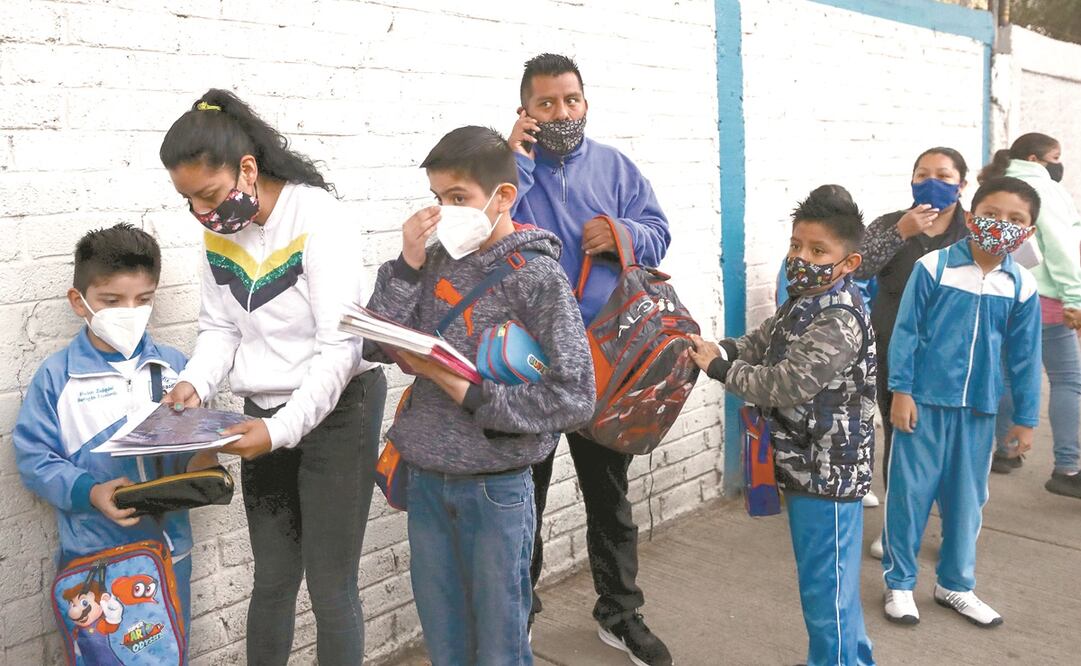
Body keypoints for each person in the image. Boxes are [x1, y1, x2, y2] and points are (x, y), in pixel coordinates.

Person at [158, 90, 387, 665]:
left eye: (207, 194)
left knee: (332, 586)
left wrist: (280, 431)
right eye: (187, 200)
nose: (202, 213)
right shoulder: (219, 233)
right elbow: (220, 329)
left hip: (339, 409)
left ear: (248, 169)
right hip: (261, 416)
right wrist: (195, 383)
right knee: (273, 579)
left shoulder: (317, 218)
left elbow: (341, 344)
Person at [364, 125, 595, 665]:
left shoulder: (537, 277)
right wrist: (407, 263)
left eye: (458, 198)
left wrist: (470, 392)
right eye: (437, 199)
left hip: (496, 488)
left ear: (503, 197)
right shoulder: (436, 261)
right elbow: (377, 343)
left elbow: (575, 397)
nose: (444, 212)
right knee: (444, 637)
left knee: (498, 642)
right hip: (426, 480)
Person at [507, 53, 674, 666]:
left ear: (586, 101)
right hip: (534, 363)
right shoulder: (507, 171)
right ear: (526, 111)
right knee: (526, 497)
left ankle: (619, 613)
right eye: (546, 103)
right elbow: (487, 233)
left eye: (570, 100)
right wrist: (515, 164)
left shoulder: (615, 166)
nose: (562, 113)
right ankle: (516, 614)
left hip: (608, 357)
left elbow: (658, 230)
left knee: (610, 495)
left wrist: (622, 235)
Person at [691, 185, 876, 666]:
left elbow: (786, 383)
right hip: (804, 464)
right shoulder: (804, 301)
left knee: (826, 595)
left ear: (848, 263)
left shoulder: (839, 319)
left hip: (827, 474)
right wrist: (725, 348)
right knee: (832, 584)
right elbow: (764, 340)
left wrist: (719, 370)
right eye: (796, 245)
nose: (801, 257)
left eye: (818, 250)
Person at [14, 224, 216, 647]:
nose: (130, 311)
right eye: (112, 301)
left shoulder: (176, 369)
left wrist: (207, 451)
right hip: (96, 562)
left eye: (143, 300)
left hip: (170, 553)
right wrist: (90, 491)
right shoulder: (57, 377)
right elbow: (35, 458)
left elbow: (200, 455)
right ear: (80, 301)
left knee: (169, 651)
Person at [881, 176, 1042, 628]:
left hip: (980, 411)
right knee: (909, 497)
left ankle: (955, 584)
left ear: (1027, 233)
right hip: (923, 406)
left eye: (1016, 220)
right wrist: (902, 391)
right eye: (992, 213)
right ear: (973, 216)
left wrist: (1026, 419)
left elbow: (1025, 358)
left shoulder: (1021, 285)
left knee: (968, 501)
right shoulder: (933, 267)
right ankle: (899, 584)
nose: (1001, 225)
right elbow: (907, 332)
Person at [855, 147, 973, 558]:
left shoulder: (974, 231)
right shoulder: (890, 224)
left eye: (943, 174)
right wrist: (899, 233)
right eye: (922, 173)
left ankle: (954, 530)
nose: (931, 181)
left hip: (957, 356)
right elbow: (855, 269)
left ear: (962, 183)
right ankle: (897, 528)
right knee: (901, 441)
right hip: (895, 351)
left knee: (954, 446)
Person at [980, 133, 1081, 498]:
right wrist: (1076, 298)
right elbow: (1061, 248)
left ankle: (1004, 451)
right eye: (1055, 156)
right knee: (1069, 380)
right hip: (1048, 298)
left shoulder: (997, 186)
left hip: (1003, 291)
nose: (1059, 164)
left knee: (1007, 372)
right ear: (1036, 158)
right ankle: (1068, 467)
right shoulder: (1046, 190)